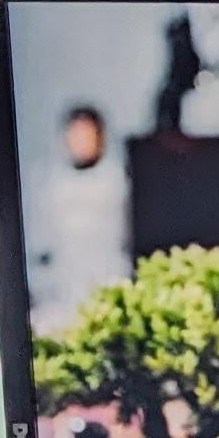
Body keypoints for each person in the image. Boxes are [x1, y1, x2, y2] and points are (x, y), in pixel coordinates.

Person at [28, 103, 133, 324]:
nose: (81, 142)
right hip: (63, 286)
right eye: (76, 135)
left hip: (108, 279)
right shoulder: (50, 183)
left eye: (87, 135)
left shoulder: (117, 179)